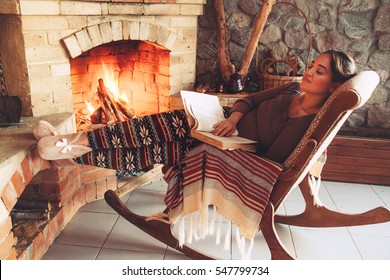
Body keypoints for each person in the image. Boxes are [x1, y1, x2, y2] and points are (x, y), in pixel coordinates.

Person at [34, 49, 356, 172]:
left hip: (225, 148)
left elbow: (270, 160)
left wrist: (228, 142)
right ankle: (70, 140)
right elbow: (251, 100)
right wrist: (232, 118)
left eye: (320, 71)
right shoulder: (290, 89)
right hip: (218, 124)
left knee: (149, 151)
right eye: (312, 65)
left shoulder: (306, 124)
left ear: (333, 87)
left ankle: (71, 152)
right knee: (154, 125)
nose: (310, 71)